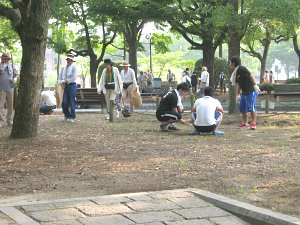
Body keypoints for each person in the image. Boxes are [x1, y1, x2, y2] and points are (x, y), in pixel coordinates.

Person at [230, 56, 260, 130]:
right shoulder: (235, 72)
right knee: (242, 107)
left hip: (251, 90)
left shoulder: (242, 69)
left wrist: (255, 85)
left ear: (233, 63)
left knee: (252, 107)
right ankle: (245, 122)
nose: (229, 65)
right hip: (244, 92)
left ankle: (253, 123)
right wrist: (238, 94)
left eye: (230, 63)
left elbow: (250, 75)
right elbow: (239, 84)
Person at [58, 54, 77, 122]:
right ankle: (67, 115)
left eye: (70, 60)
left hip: (72, 85)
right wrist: (60, 82)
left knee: (72, 101)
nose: (69, 61)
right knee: (64, 101)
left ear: (72, 61)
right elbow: (59, 78)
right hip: (64, 86)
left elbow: (74, 78)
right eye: (68, 60)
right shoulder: (63, 68)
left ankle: (72, 116)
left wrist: (67, 80)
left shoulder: (74, 68)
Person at [0, 53, 18, 127]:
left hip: (10, 88)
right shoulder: (0, 66)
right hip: (1, 88)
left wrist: (15, 79)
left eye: (7, 58)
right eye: (4, 58)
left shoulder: (11, 65)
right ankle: (0, 121)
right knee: (0, 106)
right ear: (2, 58)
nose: (6, 60)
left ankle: (9, 121)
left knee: (10, 106)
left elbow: (16, 74)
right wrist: (2, 69)